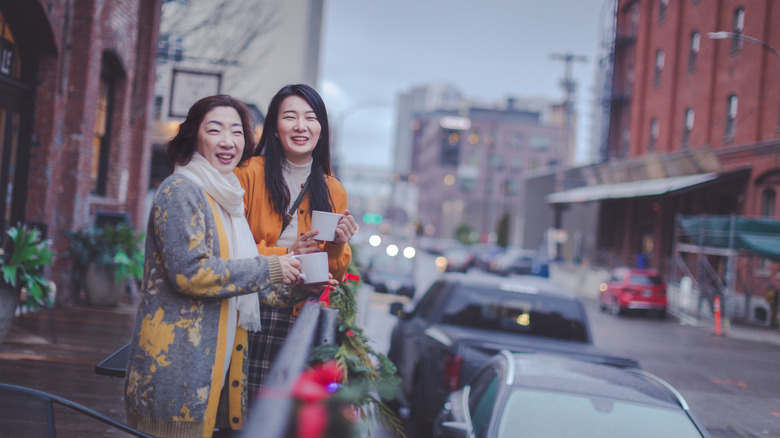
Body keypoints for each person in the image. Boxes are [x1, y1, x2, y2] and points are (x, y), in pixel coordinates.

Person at [124, 94, 310, 438]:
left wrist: (305, 283)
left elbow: (242, 287)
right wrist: (272, 266)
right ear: (195, 136)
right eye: (215, 130)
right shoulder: (181, 190)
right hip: (177, 367)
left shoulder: (226, 199)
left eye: (237, 132)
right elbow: (191, 275)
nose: (228, 141)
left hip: (215, 367)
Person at [234, 83, 359, 394]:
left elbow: (336, 272)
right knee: (241, 412)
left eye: (311, 118)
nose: (301, 126)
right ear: (275, 128)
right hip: (250, 311)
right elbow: (230, 249)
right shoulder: (248, 173)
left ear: (321, 129)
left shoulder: (333, 188)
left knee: (280, 415)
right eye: (290, 117)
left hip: (300, 316)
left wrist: (339, 244)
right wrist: (286, 253)